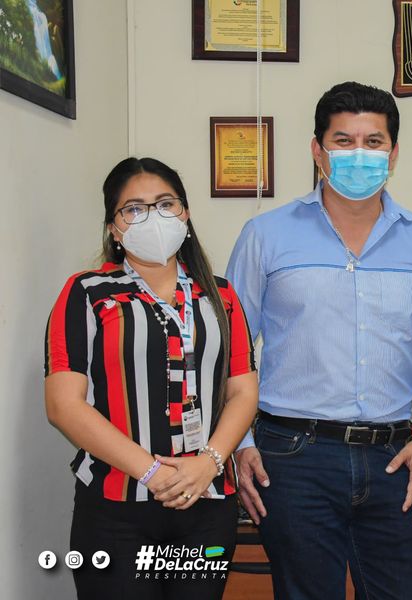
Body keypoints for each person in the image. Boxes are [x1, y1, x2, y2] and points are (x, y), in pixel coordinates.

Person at [226, 81, 412, 599]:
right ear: (318, 151)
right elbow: (230, 350)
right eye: (343, 141)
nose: (359, 154)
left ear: (393, 153)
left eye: (373, 142)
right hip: (292, 456)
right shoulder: (265, 235)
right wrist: (239, 444)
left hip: (395, 458)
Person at [44, 157, 259, 600]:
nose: (152, 217)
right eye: (133, 209)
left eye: (165, 204)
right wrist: (152, 472)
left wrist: (210, 462)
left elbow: (242, 390)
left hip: (207, 507)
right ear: (114, 227)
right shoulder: (86, 292)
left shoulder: (220, 295)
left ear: (185, 214)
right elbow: (64, 405)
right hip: (116, 512)